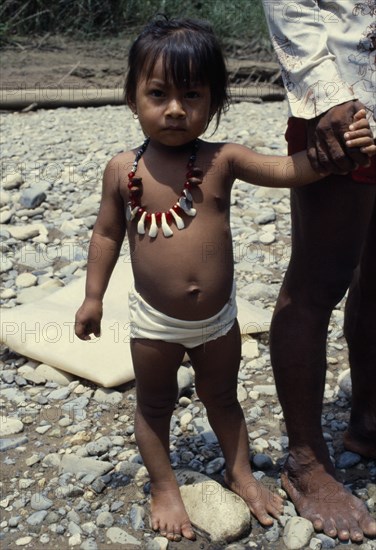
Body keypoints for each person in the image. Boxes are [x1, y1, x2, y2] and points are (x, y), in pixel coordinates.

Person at [74, 17, 375, 542]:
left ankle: (241, 475)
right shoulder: (122, 168)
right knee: (153, 403)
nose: (174, 109)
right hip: (154, 322)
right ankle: (164, 485)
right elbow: (105, 234)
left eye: (191, 95)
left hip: (217, 321)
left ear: (214, 102)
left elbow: (289, 170)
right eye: (158, 94)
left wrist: (334, 155)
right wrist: (92, 297)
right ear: (132, 98)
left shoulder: (221, 159)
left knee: (225, 400)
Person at [261, 0, 376, 543]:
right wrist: (325, 93)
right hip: (347, 106)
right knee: (318, 283)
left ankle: (369, 423)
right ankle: (306, 461)